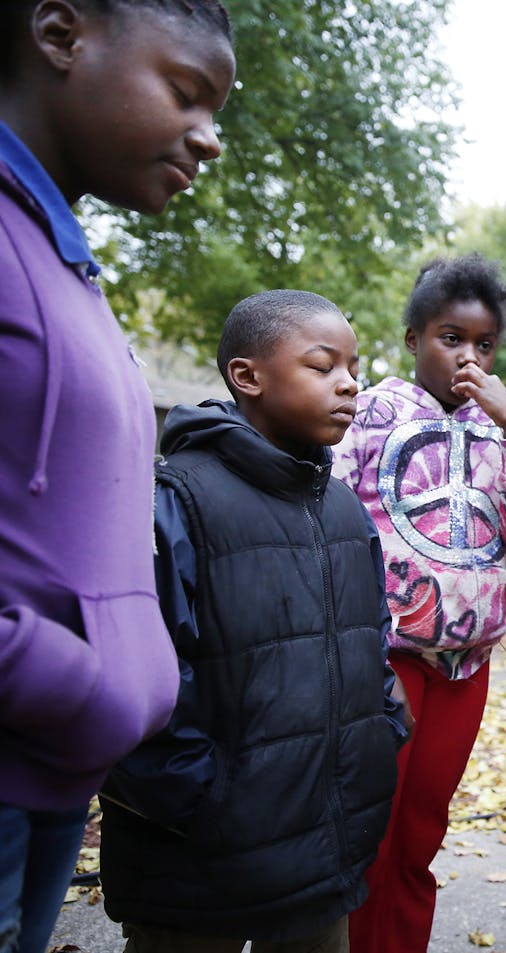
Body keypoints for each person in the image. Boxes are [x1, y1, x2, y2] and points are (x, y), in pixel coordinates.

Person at [0, 2, 235, 951]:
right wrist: (70, 677)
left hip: (52, 785)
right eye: (187, 92)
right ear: (61, 35)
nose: (211, 139)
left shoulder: (60, 260)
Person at [97, 291, 407, 952]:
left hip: (324, 857)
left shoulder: (347, 511)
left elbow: (370, 645)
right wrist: (198, 804)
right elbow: (134, 678)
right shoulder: (173, 502)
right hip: (196, 868)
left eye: (355, 366)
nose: (350, 382)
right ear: (248, 376)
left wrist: (382, 732)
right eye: (324, 366)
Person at [335, 254, 506, 953]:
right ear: (413, 339)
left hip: (465, 667)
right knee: (370, 826)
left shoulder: (501, 429)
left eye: (483, 344)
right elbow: (330, 513)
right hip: (382, 661)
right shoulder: (369, 413)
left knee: (423, 828)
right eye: (450, 337)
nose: (468, 355)